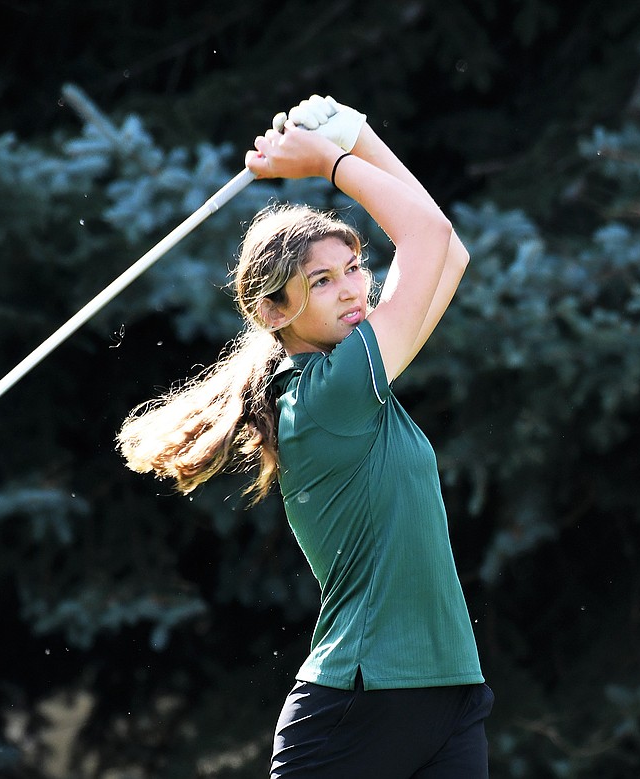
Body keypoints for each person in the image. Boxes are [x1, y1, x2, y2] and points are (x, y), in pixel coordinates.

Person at [117, 95, 492, 778]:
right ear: (273, 311)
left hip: (447, 695)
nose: (353, 290)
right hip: (357, 702)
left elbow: (447, 248)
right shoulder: (325, 395)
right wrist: (333, 160)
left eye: (354, 268)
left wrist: (355, 132)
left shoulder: (362, 381)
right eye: (322, 281)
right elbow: (428, 238)